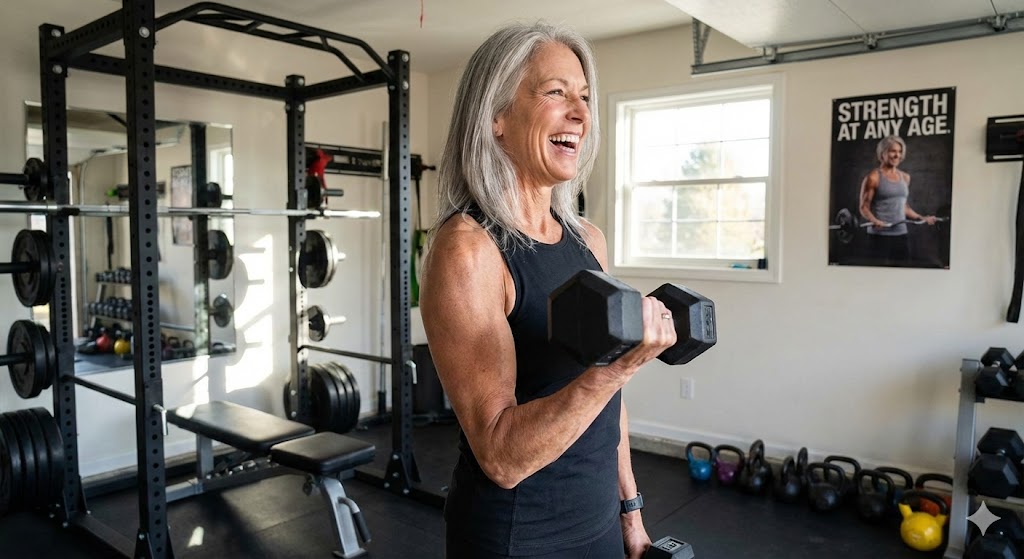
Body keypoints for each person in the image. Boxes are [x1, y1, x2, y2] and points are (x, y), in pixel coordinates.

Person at [419, 22, 677, 559]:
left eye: (585, 97)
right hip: (520, 538)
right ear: (496, 117)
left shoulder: (588, 241)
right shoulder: (468, 250)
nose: (581, 114)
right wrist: (617, 369)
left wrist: (630, 512)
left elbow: (610, 407)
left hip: (599, 524)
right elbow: (500, 457)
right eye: (556, 92)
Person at [858, 134, 938, 266]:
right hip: (879, 237)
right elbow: (864, 207)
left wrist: (922, 217)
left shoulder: (905, 177)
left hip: (901, 235)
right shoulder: (873, 177)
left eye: (900, 152)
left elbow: (903, 207)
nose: (897, 155)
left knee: (902, 273)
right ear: (882, 153)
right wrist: (874, 220)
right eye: (892, 151)